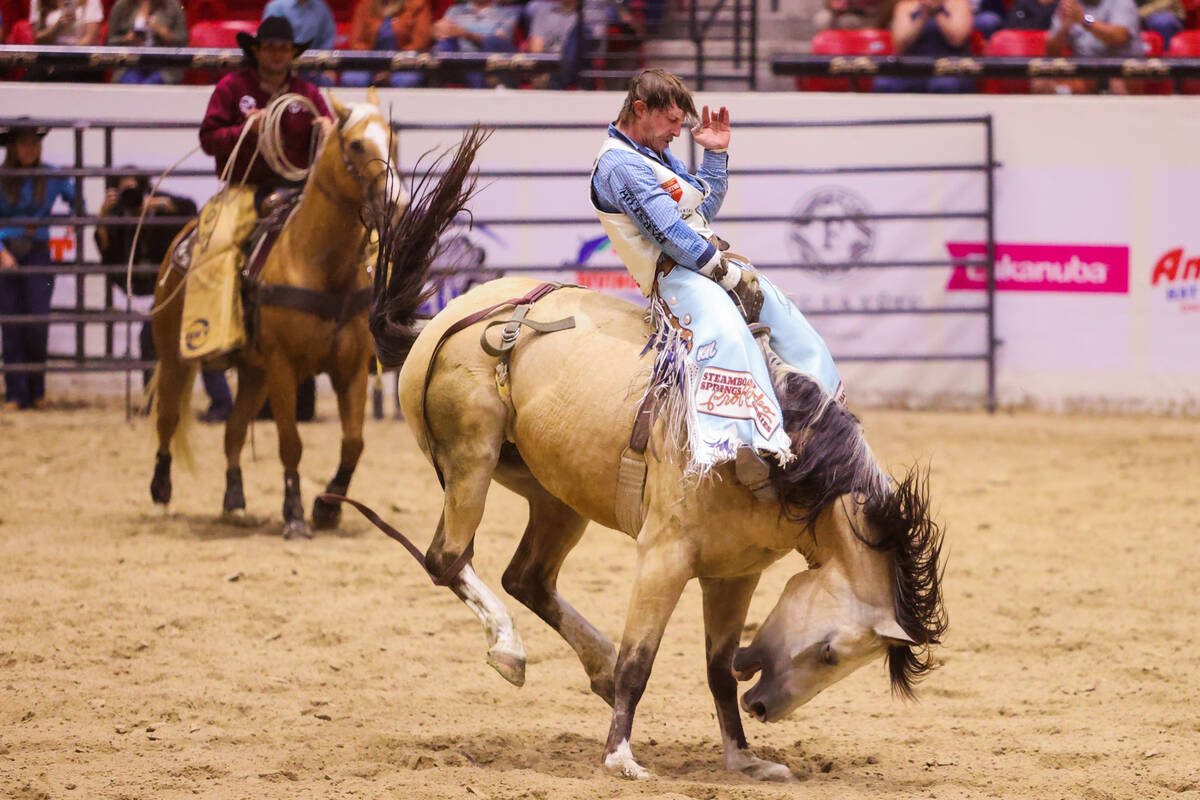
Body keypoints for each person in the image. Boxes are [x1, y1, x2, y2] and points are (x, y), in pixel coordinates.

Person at [589, 69, 844, 487]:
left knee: (792, 325)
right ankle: (745, 447)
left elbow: (698, 214)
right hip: (676, 278)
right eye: (672, 120)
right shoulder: (619, 165)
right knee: (728, 337)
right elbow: (669, 235)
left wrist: (714, 156)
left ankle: (826, 424)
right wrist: (725, 274)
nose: (678, 131)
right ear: (640, 110)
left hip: (702, 268)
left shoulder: (653, 155)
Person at [198, 16, 330, 420]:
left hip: (297, 192)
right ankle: (215, 338)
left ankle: (357, 338)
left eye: (283, 48)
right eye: (270, 47)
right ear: (256, 50)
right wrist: (244, 129)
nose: (276, 54)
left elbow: (329, 136)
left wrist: (328, 130)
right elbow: (208, 139)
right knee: (215, 249)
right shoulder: (231, 89)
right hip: (244, 191)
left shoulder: (307, 94)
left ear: (292, 52)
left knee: (353, 247)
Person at [93, 170, 234, 421]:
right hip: (154, 294)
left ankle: (219, 402)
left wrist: (157, 205)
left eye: (134, 190)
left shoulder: (163, 202)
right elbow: (106, 249)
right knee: (153, 337)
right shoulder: (118, 219)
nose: (132, 198)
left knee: (198, 334)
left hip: (184, 283)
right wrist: (103, 217)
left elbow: (192, 211)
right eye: (124, 192)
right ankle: (157, 401)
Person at [0, 120, 74, 411]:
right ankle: (17, 394)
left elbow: (76, 202)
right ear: (13, 148)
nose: (30, 149)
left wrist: (58, 220)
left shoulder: (53, 176)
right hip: (6, 252)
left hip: (38, 251)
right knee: (12, 323)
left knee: (37, 321)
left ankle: (36, 390)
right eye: (24, 143)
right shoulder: (2, 178)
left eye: (34, 143)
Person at [873, 0, 975, 93]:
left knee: (943, 84)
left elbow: (957, 40)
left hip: (949, 66)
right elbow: (900, 44)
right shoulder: (905, 6)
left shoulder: (959, 4)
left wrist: (937, 12)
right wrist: (923, 15)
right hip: (912, 66)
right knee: (884, 83)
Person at [1045, 0, 1142, 92]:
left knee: (1116, 83)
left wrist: (1085, 20)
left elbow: (1118, 36)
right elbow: (1051, 52)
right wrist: (1065, 27)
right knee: (1043, 82)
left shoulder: (1121, 2)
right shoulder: (1071, 5)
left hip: (1119, 70)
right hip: (1084, 70)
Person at [342, 0, 433, 89]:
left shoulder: (417, 5)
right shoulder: (365, 5)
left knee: (405, 80)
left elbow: (420, 43)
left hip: (404, 64)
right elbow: (356, 42)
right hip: (369, 63)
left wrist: (390, 69)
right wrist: (375, 66)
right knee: (352, 78)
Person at [431, 0, 519, 88]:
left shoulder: (507, 13)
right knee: (443, 44)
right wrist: (437, 31)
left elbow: (498, 40)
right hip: (458, 58)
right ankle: (432, 88)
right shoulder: (455, 11)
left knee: (487, 45)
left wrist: (465, 34)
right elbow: (441, 31)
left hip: (488, 61)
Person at [105, 0, 189, 85]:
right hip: (128, 65)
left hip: (164, 65)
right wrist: (126, 40)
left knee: (151, 84)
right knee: (131, 84)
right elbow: (110, 41)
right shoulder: (122, 5)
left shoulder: (173, 5)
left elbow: (183, 41)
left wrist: (163, 31)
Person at [262, 0, 337, 85]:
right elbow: (270, 42)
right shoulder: (275, 7)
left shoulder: (321, 7)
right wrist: (288, 63)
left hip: (313, 67)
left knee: (327, 80)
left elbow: (327, 40)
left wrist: (324, 66)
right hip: (283, 64)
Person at [28, 0, 104, 81]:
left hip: (80, 58)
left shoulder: (91, 1)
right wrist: (58, 26)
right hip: (47, 57)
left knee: (63, 75)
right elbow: (39, 40)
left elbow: (90, 39)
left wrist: (65, 58)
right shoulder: (38, 2)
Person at [813, 0, 886, 30]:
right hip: (848, 16)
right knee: (823, 19)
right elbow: (831, 5)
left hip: (876, 19)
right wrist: (835, 6)